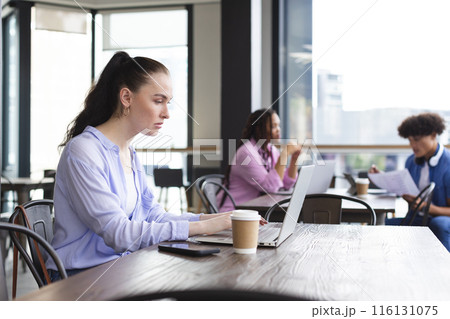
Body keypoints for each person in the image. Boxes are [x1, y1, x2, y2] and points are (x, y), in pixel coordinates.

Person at [46, 51, 232, 281]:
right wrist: (203, 228)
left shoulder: (129, 153)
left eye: (168, 103)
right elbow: (119, 233)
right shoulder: (83, 151)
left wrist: (214, 220)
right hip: (81, 278)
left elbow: (153, 214)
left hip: (121, 267)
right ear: (126, 97)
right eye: (158, 101)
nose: (166, 114)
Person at [369, 112, 450, 251]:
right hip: (418, 218)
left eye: (417, 139)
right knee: (380, 225)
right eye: (410, 140)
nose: (413, 145)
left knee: (439, 224)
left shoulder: (447, 164)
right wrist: (385, 178)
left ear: (433, 135)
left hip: (441, 219)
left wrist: (426, 207)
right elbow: (407, 188)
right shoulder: (411, 161)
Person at [218, 108, 301, 212]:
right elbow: (270, 188)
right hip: (235, 212)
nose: (278, 129)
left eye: (278, 125)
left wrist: (294, 159)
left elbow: (286, 184)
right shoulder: (246, 153)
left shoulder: (271, 150)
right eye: (273, 126)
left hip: (257, 210)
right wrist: (284, 154)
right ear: (259, 128)